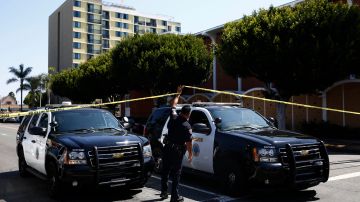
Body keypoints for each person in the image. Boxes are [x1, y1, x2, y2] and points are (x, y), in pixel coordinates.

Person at [160, 86, 193, 202]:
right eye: (190, 114)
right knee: (176, 174)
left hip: (167, 148)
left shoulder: (173, 116)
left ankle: (164, 192)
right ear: (188, 114)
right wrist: (190, 154)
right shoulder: (186, 126)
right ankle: (174, 196)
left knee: (165, 171)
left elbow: (173, 105)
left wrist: (178, 94)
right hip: (177, 152)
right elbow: (189, 143)